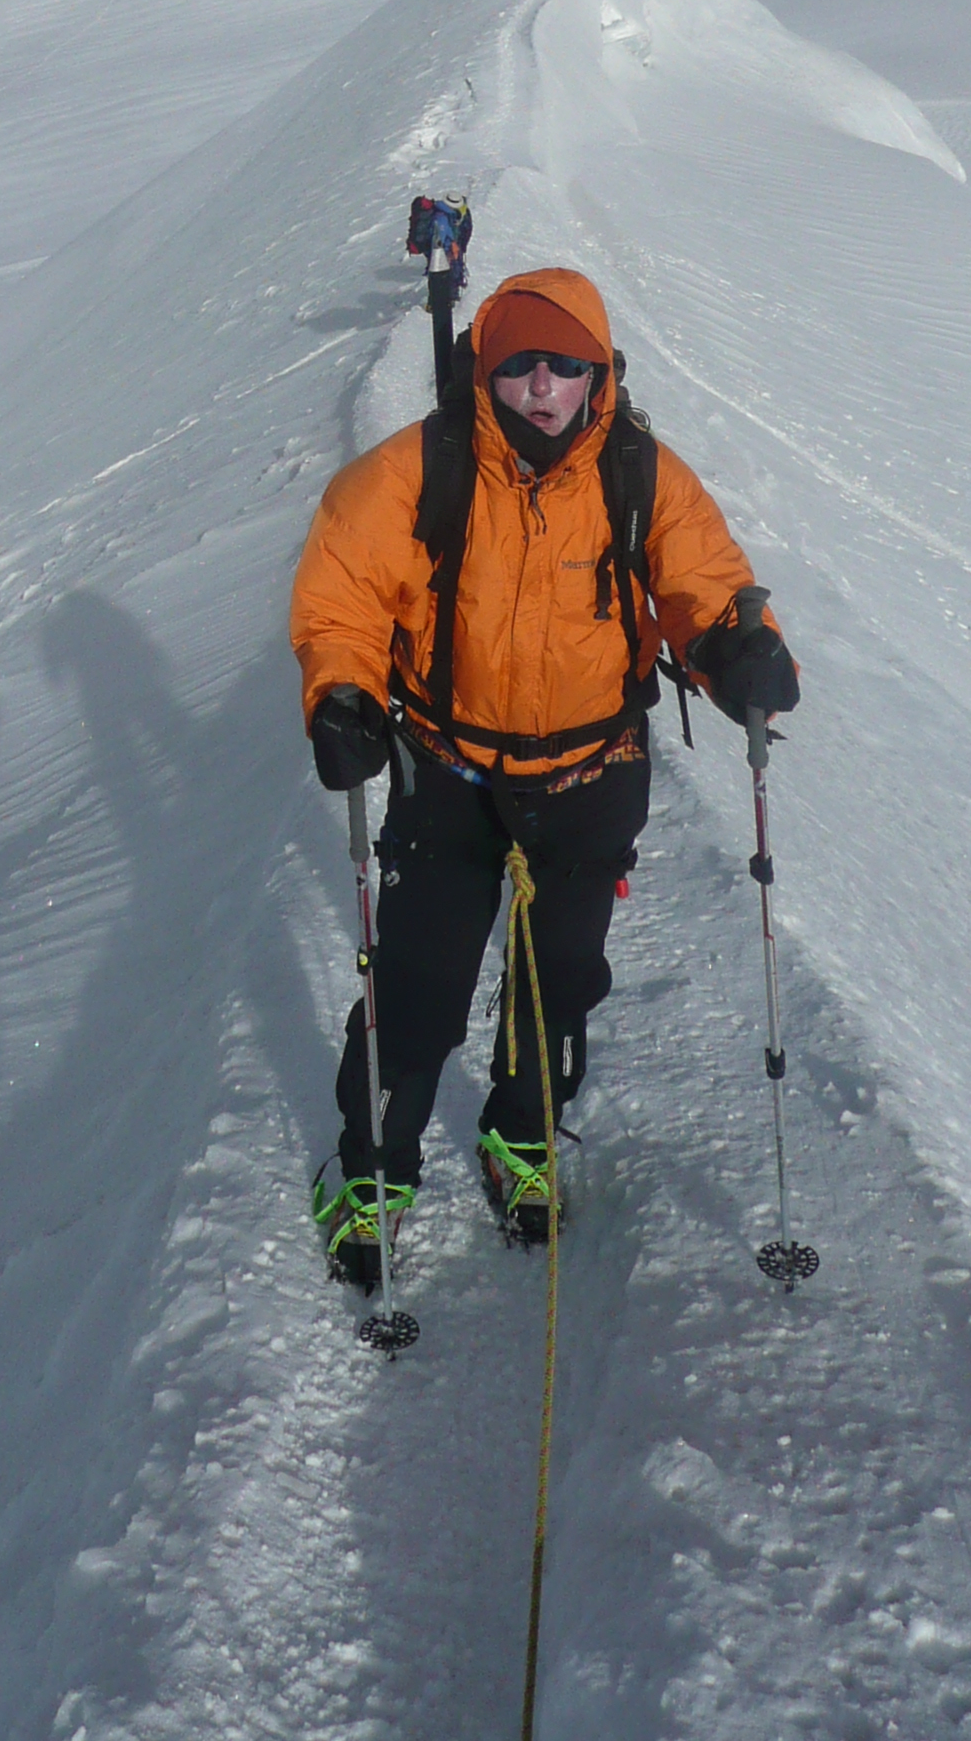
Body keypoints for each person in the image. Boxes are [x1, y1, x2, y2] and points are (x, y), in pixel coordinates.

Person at [288, 264, 800, 1285]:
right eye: (520, 363)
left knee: (558, 981)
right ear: (486, 369)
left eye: (564, 366)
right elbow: (343, 589)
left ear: (598, 376)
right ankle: (374, 1169)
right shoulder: (420, 471)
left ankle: (522, 1134)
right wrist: (341, 693)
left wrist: (736, 652)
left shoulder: (640, 475)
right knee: (420, 986)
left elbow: (703, 585)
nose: (541, 386)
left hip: (592, 775)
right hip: (449, 773)